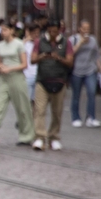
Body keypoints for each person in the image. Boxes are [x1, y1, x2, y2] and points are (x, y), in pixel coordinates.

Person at [0, 21, 36, 145]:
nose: (3, 32)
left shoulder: (19, 44)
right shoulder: (0, 45)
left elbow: (24, 64)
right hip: (3, 79)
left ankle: (26, 136)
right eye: (2, 30)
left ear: (12, 31)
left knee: (23, 108)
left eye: (6, 30)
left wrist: (10, 68)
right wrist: (1, 67)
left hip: (17, 77)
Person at [32, 18, 74, 151]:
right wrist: (42, 56)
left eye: (55, 31)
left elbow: (70, 62)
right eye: (50, 31)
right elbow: (32, 60)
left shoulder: (66, 43)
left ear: (59, 30)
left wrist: (59, 58)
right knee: (40, 110)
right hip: (42, 81)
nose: (52, 34)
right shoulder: (39, 42)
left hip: (60, 81)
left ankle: (54, 137)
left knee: (57, 112)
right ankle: (39, 137)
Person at [69, 20, 101, 128]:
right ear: (80, 29)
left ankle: (91, 117)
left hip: (90, 70)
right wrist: (81, 42)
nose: (86, 31)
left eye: (88, 29)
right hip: (76, 71)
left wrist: (99, 67)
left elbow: (96, 54)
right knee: (76, 95)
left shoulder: (93, 40)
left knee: (91, 92)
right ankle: (76, 117)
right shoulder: (73, 39)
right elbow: (70, 53)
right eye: (84, 28)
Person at [23, 23, 41, 102]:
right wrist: (26, 39)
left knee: (37, 102)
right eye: (34, 33)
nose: (36, 35)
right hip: (27, 75)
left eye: (38, 33)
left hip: (39, 76)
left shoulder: (41, 44)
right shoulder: (25, 44)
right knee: (27, 101)